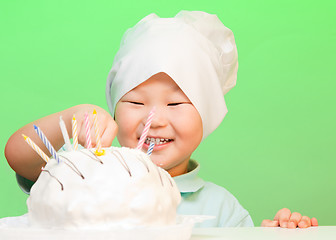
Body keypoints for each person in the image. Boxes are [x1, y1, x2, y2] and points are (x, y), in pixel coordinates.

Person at [5, 11, 318, 228]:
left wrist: (277, 232)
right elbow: (18, 156)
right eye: (136, 101)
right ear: (114, 107)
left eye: (175, 102)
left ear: (207, 113)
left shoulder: (223, 209)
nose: (153, 119)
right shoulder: (88, 177)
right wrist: (73, 117)